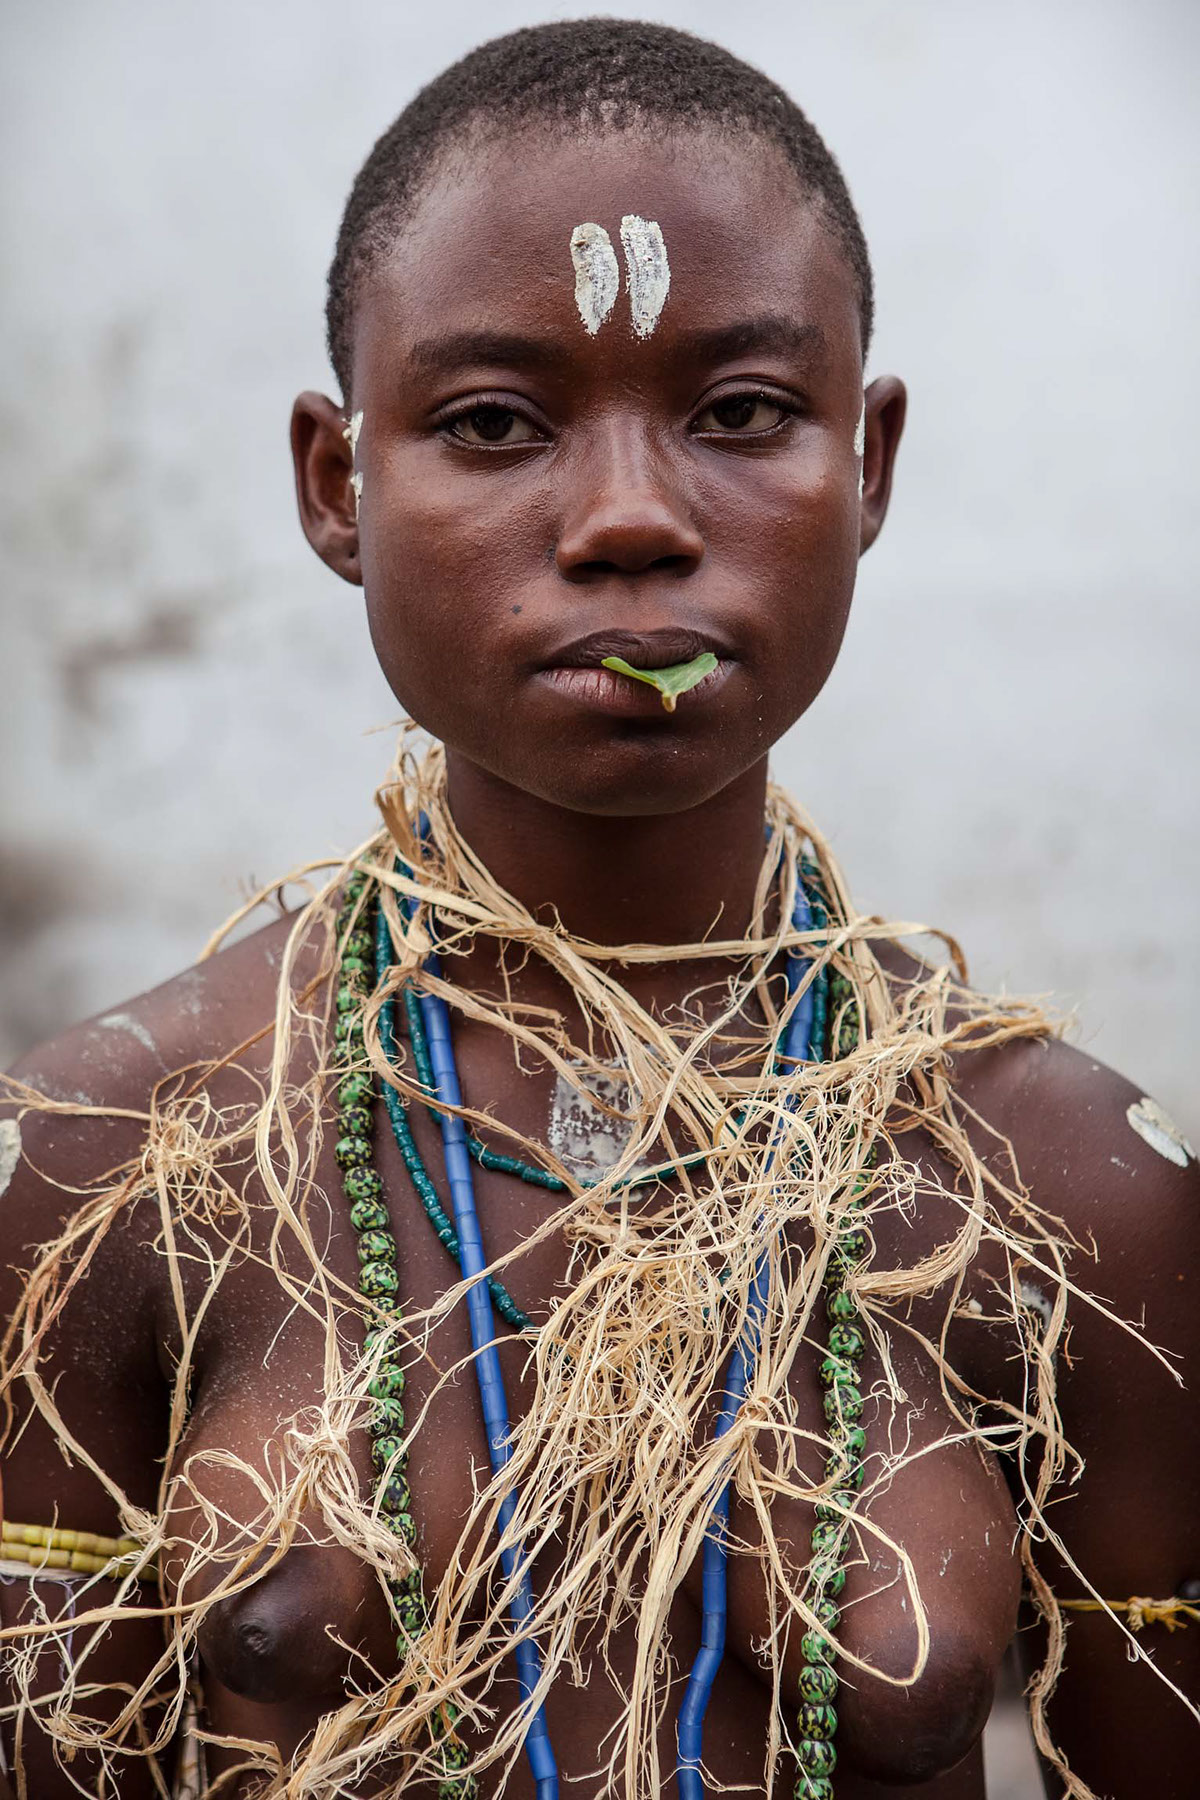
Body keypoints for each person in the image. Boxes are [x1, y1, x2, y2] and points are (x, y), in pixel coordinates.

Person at [1, 20, 1196, 1800]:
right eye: (492, 424)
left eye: (743, 414)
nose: (632, 520)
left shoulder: (1071, 1194)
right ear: (341, 485)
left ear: (868, 463)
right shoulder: (120, 1156)